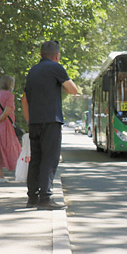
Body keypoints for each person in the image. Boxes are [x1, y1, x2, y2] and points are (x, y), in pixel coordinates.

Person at [22, 41, 78, 210]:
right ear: (57, 55)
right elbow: (73, 90)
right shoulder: (56, 68)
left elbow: (24, 99)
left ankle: (32, 197)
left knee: (36, 159)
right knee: (49, 158)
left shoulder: (32, 71)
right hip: (51, 121)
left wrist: (29, 120)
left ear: (40, 55)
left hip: (35, 122)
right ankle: (45, 198)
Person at [0, 75, 22, 182]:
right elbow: (6, 112)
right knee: (13, 147)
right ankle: (19, 171)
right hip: (6, 125)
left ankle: (1, 176)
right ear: (11, 84)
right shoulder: (10, 96)